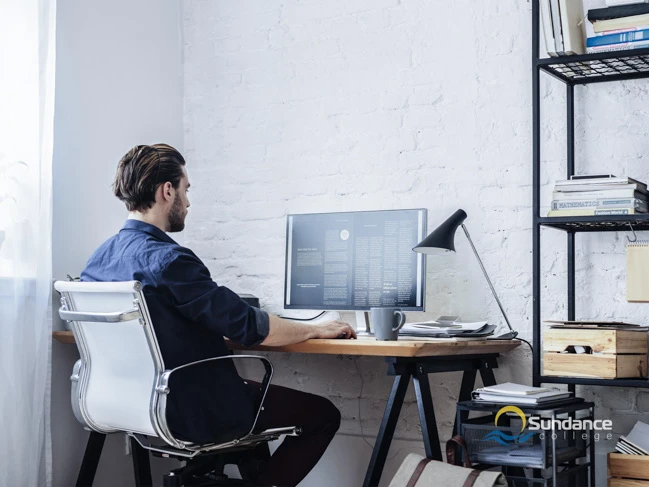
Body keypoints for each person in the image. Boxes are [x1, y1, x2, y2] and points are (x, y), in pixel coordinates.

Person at [81, 144, 357, 486]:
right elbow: (250, 328)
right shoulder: (169, 260)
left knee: (251, 415)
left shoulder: (98, 260)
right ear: (167, 191)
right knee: (322, 414)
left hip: (131, 403)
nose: (188, 201)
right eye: (186, 189)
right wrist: (316, 329)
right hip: (190, 407)